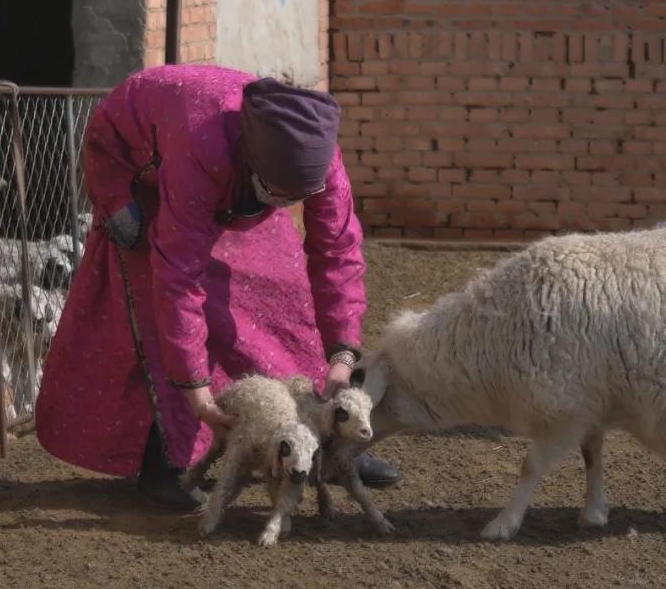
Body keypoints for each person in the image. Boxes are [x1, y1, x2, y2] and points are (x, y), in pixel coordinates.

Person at [35, 64, 401, 510]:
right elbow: (178, 279)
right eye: (278, 193)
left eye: (295, 198)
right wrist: (199, 397)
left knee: (281, 295)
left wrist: (342, 356)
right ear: (256, 161)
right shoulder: (202, 146)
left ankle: (322, 446)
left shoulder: (320, 162)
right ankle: (168, 465)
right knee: (161, 304)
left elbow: (338, 252)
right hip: (134, 168)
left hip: (231, 181)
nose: (286, 206)